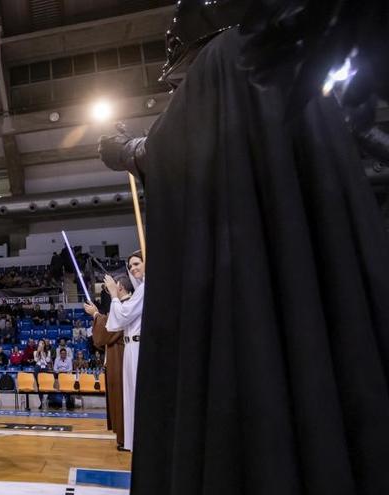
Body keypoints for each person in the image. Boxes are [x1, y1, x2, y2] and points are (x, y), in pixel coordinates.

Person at [100, 2, 389, 491]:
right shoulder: (305, 87)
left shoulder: (224, 61)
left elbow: (174, 147)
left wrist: (125, 151)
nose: (179, 90)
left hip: (244, 284)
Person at [103, 257, 143, 452]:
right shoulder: (139, 291)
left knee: (136, 395)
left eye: (137, 263)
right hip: (130, 348)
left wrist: (113, 294)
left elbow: (120, 319)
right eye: (130, 265)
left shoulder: (144, 289)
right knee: (130, 396)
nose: (132, 268)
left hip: (137, 347)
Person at [85, 295, 125, 450]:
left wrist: (95, 314)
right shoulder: (121, 307)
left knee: (122, 399)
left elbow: (105, 334)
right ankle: (123, 436)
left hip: (121, 361)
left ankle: (125, 437)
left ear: (120, 288)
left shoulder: (123, 307)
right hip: (116, 360)